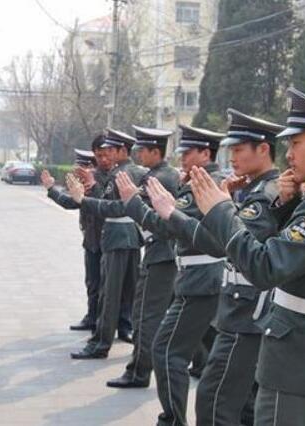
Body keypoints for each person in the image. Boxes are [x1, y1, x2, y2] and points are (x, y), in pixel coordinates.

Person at [186, 88, 305, 426]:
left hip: (300, 360)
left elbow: (264, 267)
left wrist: (220, 211)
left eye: (296, 143)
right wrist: (285, 204)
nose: (288, 154)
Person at [117, 124, 226, 425]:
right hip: (204, 277)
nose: (183, 158)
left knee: (165, 351)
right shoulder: (201, 180)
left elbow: (168, 225)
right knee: (217, 352)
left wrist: (133, 204)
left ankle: (173, 420)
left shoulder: (204, 183)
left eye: (188, 152)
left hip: (200, 280)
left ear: (205, 153)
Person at [103, 126, 180, 389]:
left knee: (145, 316)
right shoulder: (167, 174)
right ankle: (198, 362)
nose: (138, 156)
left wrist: (86, 201)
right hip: (167, 253)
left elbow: (133, 209)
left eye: (142, 151)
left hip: (160, 254)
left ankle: (139, 371)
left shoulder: (157, 178)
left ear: (154, 152)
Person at [68, 129, 146, 359]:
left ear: (122, 150)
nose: (107, 155)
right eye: (103, 152)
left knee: (110, 293)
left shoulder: (121, 174)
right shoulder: (135, 172)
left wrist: (84, 197)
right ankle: (112, 331)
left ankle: (102, 341)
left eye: (111, 150)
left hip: (117, 235)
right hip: (124, 235)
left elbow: (110, 206)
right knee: (111, 288)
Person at [41, 135, 112, 332]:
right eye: (99, 156)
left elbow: (108, 206)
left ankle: (119, 324)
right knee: (92, 281)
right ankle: (92, 317)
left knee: (112, 286)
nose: (104, 160)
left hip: (112, 240)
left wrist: (93, 184)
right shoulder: (91, 178)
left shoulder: (116, 177)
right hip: (92, 238)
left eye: (107, 155)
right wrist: (51, 188)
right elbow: (71, 202)